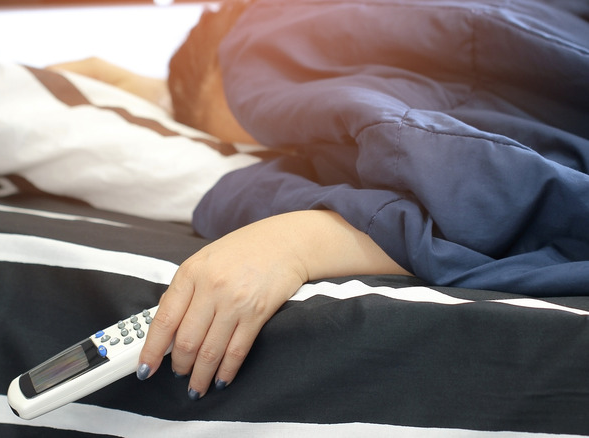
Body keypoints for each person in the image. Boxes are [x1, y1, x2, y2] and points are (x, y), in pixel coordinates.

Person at [48, 0, 589, 401]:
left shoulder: (276, 31)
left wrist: (303, 240)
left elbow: (486, 183)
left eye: (265, 110)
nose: (293, 143)